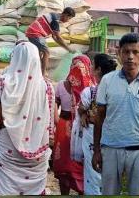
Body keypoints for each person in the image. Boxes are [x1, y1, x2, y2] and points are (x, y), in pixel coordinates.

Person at [92, 33, 139, 196]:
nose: (130, 57)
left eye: (135, 52)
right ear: (119, 54)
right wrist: (96, 151)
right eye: (126, 52)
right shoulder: (107, 80)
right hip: (110, 149)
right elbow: (99, 118)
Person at [0, 41, 55, 195]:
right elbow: (52, 120)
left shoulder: (4, 84)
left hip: (8, 147)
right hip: (36, 147)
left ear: (14, 58)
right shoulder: (47, 87)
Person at [77, 52, 117, 196]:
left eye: (93, 65)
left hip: (93, 133)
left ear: (98, 69)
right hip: (112, 134)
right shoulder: (117, 90)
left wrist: (83, 114)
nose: (91, 67)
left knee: (92, 169)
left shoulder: (91, 91)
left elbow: (81, 107)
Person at [54, 54, 93, 195]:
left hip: (64, 127)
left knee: (64, 163)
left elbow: (54, 108)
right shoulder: (91, 88)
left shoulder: (61, 85)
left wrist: (56, 123)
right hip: (83, 128)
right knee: (81, 163)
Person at [25, 5, 75, 75]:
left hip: (32, 32)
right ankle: (43, 74)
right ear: (65, 15)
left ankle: (35, 72)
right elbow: (58, 37)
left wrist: (65, 47)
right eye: (69, 18)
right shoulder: (55, 20)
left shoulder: (55, 17)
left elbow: (54, 37)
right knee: (46, 53)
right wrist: (69, 48)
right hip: (35, 33)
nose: (68, 20)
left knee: (40, 52)